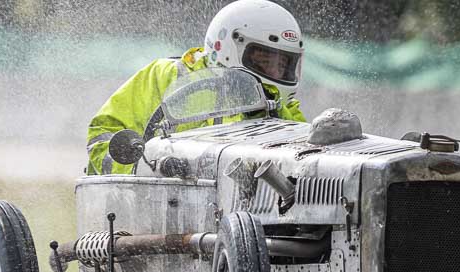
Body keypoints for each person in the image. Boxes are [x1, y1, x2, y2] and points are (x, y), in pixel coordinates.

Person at [86, 0, 306, 175]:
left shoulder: (283, 109)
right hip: (156, 210)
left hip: (245, 219)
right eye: (265, 60)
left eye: (283, 64)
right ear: (229, 47)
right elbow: (105, 132)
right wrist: (142, 172)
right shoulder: (164, 76)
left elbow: (304, 161)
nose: (276, 73)